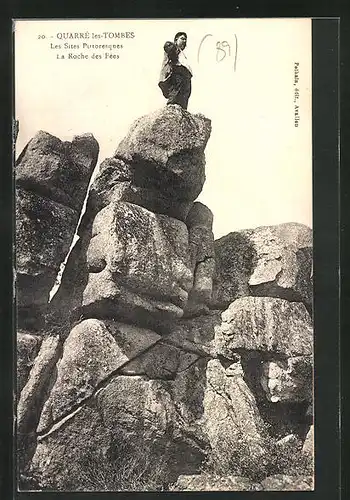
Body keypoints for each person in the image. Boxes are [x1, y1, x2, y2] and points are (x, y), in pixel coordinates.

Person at [158, 32, 193, 110]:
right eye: (182, 39)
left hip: (186, 76)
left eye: (185, 40)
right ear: (176, 40)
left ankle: (182, 111)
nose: (184, 41)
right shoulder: (173, 48)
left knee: (185, 96)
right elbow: (168, 47)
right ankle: (171, 109)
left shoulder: (182, 53)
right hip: (177, 72)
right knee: (175, 93)